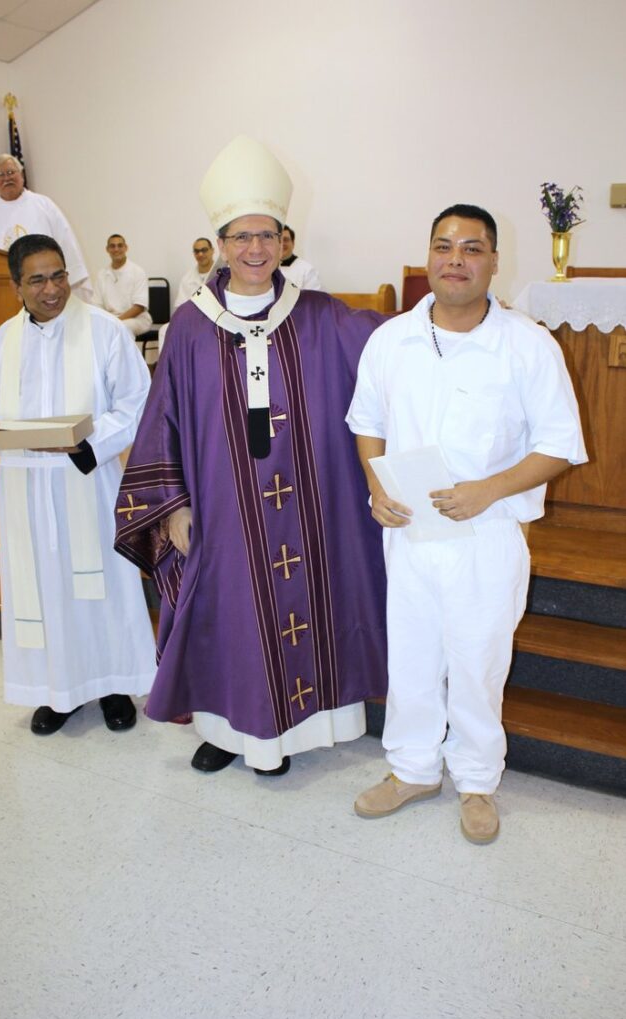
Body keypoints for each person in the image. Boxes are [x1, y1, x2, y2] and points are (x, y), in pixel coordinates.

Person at [114, 135, 387, 776]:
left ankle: (296, 733)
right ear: (220, 243)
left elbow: (391, 348)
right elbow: (164, 419)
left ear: (287, 241)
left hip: (310, 507)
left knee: (307, 604)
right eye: (242, 236)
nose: (256, 249)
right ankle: (227, 729)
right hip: (222, 507)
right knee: (228, 612)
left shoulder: (320, 315)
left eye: (268, 235)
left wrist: (451, 316)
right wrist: (172, 505)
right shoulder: (189, 325)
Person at [346, 204, 587, 842]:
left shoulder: (527, 344)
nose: (456, 259)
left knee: (479, 663)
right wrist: (376, 484)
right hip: (409, 529)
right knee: (412, 657)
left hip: (487, 533)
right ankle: (412, 769)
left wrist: (489, 490)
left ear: (494, 261)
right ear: (428, 256)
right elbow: (367, 421)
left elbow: (560, 445)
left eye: (472, 248)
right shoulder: (390, 339)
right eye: (444, 246)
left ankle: (477, 781)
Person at [0, 234, 156, 735]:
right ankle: (59, 691)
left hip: (86, 479)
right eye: (37, 280)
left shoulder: (103, 330)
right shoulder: (4, 340)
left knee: (101, 587)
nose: (52, 289)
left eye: (58, 276)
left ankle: (114, 686)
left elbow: (137, 402)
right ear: (16, 286)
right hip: (26, 487)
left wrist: (87, 444)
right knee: (45, 588)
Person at [0, 154, 92, 299]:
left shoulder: (44, 206)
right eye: (0, 175)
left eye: (11, 172)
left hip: (45, 290)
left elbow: (66, 243)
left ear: (21, 175)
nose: (6, 178)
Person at [93, 233, 152, 338]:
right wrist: (106, 321)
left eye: (120, 245)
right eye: (112, 246)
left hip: (137, 319)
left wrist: (116, 321)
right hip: (111, 319)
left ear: (126, 248)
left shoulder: (137, 272)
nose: (116, 249)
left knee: (121, 328)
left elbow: (139, 307)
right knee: (92, 329)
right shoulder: (101, 274)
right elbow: (97, 305)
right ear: (107, 249)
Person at [173, 236, 221, 311]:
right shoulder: (187, 279)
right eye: (196, 251)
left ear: (212, 250)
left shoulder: (222, 275)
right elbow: (180, 308)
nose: (200, 254)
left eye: (204, 250)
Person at [279, 224, 322, 290]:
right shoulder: (266, 268)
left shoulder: (307, 271)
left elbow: (314, 296)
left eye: (286, 240)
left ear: (293, 243)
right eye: (279, 240)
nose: (282, 244)